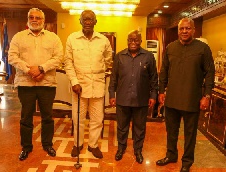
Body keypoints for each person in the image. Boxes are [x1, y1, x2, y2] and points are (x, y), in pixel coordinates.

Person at [156, 17, 215, 172]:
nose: (184, 31)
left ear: (193, 30)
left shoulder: (203, 49)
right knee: (171, 131)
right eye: (181, 29)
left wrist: (207, 95)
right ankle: (171, 155)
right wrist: (161, 91)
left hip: (192, 99)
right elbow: (164, 71)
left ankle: (187, 162)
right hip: (172, 98)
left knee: (190, 134)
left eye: (187, 28)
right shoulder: (170, 47)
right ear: (178, 31)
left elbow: (210, 73)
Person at [8, 8, 63, 161]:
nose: (34, 20)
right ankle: (26, 147)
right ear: (28, 19)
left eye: (38, 18)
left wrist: (41, 68)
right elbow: (12, 57)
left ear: (43, 21)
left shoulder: (53, 38)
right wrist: (29, 70)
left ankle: (47, 144)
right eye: (31, 17)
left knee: (47, 117)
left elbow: (59, 57)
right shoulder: (18, 37)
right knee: (26, 118)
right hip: (25, 84)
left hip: (47, 83)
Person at [63, 10, 112, 159]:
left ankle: (93, 145)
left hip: (97, 85)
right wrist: (74, 81)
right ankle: (78, 144)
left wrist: (100, 70)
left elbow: (109, 59)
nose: (88, 22)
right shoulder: (72, 38)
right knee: (78, 118)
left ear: (95, 22)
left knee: (97, 119)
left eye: (91, 19)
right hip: (79, 87)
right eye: (85, 19)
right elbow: (68, 62)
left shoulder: (103, 40)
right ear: (80, 21)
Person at [108, 30, 158, 164]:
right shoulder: (119, 56)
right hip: (122, 99)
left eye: (136, 40)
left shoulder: (148, 57)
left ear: (141, 41)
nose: (133, 42)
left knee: (139, 128)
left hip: (141, 100)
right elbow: (114, 78)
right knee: (122, 127)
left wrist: (153, 95)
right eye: (130, 40)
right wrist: (112, 94)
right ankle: (121, 148)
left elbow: (154, 79)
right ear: (127, 41)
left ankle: (138, 150)